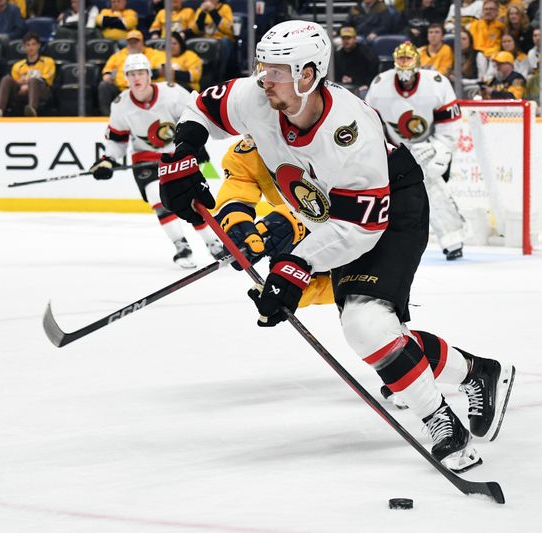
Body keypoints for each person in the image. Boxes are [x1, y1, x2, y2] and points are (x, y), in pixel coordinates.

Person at [157, 20, 515, 471]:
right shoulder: (257, 95)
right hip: (334, 217)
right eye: (262, 66)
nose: (263, 78)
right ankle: (475, 372)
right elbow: (202, 107)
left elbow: (358, 230)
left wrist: (293, 265)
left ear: (309, 74)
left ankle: (442, 422)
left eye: (277, 70)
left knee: (365, 323)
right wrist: (183, 152)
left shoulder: (350, 133)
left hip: (391, 208)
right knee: (375, 331)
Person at [89, 53, 225, 268]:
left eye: (141, 73)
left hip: (177, 155)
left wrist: (196, 146)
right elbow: (118, 139)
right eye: (132, 74)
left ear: (149, 75)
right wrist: (108, 160)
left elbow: (194, 119)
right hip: (145, 157)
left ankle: (214, 244)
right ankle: (182, 246)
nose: (137, 78)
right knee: (157, 199)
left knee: (192, 201)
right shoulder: (121, 104)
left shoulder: (172, 93)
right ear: (126, 78)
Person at [366, 40, 465, 260]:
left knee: (433, 186)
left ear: (418, 61)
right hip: (393, 148)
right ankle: (377, 242)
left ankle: (453, 239)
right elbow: (370, 123)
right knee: (382, 195)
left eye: (407, 58)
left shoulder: (437, 83)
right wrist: (383, 149)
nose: (404, 64)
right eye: (400, 59)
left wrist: (439, 149)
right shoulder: (380, 84)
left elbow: (450, 126)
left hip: (427, 147)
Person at [97, 29, 164, 115]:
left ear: (142, 42)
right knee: (104, 85)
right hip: (121, 89)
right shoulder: (118, 55)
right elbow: (107, 71)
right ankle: (108, 117)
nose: (133, 45)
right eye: (130, 42)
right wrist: (108, 76)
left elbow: (162, 70)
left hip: (145, 89)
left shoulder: (154, 54)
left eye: (136, 42)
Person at [0, 32, 55, 116]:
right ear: (24, 47)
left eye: (33, 44)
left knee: (33, 80)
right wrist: (21, 84)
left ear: (38, 46)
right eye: (28, 45)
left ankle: (32, 110)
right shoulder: (18, 65)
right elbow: (15, 82)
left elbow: (46, 80)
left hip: (42, 91)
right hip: (21, 91)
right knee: (6, 79)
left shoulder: (48, 61)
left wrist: (28, 83)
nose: (31, 47)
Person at [189, 0, 234, 79]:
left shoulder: (225, 8)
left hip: (220, 39)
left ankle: (221, 74)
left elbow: (229, 29)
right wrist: (202, 13)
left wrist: (213, 11)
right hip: (205, 39)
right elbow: (195, 30)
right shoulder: (200, 9)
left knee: (225, 42)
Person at [334, 25, 379, 97]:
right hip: (343, 86)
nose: (346, 41)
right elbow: (335, 73)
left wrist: (367, 84)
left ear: (355, 39)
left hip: (362, 85)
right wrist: (341, 78)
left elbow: (373, 70)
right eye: (343, 38)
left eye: (348, 38)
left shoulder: (366, 53)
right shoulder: (338, 54)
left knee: (363, 95)